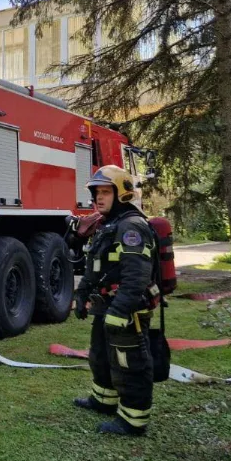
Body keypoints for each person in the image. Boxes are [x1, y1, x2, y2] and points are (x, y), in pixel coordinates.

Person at [72, 165, 158, 436]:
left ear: (122, 193)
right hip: (105, 305)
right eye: (97, 191)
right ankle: (104, 400)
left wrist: (121, 309)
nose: (99, 197)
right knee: (100, 355)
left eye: (106, 191)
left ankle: (133, 420)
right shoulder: (108, 224)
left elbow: (137, 276)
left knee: (128, 362)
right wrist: (82, 294)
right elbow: (95, 265)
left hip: (126, 309)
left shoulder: (131, 226)